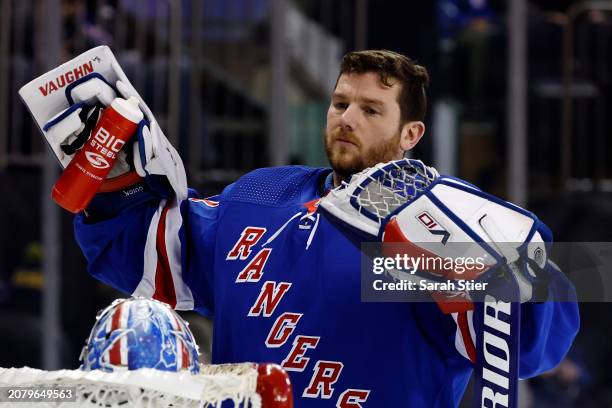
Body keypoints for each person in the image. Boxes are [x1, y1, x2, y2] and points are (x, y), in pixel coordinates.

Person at [58, 50, 577, 407]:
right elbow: (149, 260)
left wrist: (503, 277)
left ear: (410, 134)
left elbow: (534, 346)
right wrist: (114, 182)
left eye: (371, 109)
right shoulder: (260, 195)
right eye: (340, 103)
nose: (347, 118)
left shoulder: (436, 221)